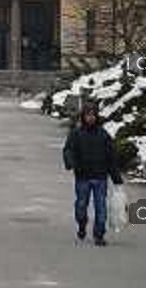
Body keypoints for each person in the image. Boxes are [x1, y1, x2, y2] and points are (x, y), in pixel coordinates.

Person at [62, 101, 123, 245]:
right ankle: (82, 224)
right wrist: (71, 163)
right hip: (82, 176)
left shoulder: (103, 135)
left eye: (93, 115)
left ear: (96, 116)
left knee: (101, 207)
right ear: (83, 116)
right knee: (81, 205)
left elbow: (111, 157)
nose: (90, 118)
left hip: (100, 177)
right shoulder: (76, 134)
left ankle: (99, 234)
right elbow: (68, 150)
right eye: (87, 115)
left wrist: (116, 178)